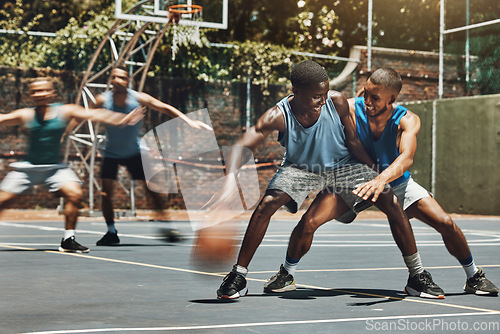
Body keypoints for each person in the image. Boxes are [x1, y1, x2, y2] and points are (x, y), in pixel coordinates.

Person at [212, 60, 443, 300]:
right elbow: (241, 146)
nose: (322, 101)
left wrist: (375, 173)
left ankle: (417, 276)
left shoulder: (336, 101)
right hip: (302, 168)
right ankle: (238, 276)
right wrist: (229, 181)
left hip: (343, 165)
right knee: (268, 203)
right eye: (316, 96)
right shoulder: (277, 116)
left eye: (325, 93)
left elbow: (352, 141)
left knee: (391, 202)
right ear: (297, 92)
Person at [267, 68, 498, 297]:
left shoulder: (407, 120)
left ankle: (473, 276)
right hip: (354, 180)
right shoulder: (348, 107)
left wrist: (381, 179)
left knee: (445, 222)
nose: (367, 100)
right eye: (365, 93)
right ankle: (286, 274)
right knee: (308, 222)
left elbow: (406, 157)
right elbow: (309, 107)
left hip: (394, 182)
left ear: (392, 99)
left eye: (374, 97)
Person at [0, 78, 143, 253]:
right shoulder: (26, 114)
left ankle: (68, 240)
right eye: (36, 91)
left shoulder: (65, 110)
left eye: (44, 90)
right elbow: (2, 119)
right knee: (2, 201)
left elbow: (95, 114)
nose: (40, 94)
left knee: (75, 193)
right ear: (30, 95)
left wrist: (120, 119)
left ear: (52, 93)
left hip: (54, 169)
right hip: (29, 168)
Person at [91, 66, 211, 246]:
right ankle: (111, 232)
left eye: (122, 77)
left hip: (134, 152)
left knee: (151, 190)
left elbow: (165, 108)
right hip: (112, 152)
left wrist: (189, 121)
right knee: (106, 192)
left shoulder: (138, 98)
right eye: (114, 77)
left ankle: (168, 227)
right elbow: (86, 114)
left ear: (128, 80)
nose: (117, 80)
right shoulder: (102, 99)